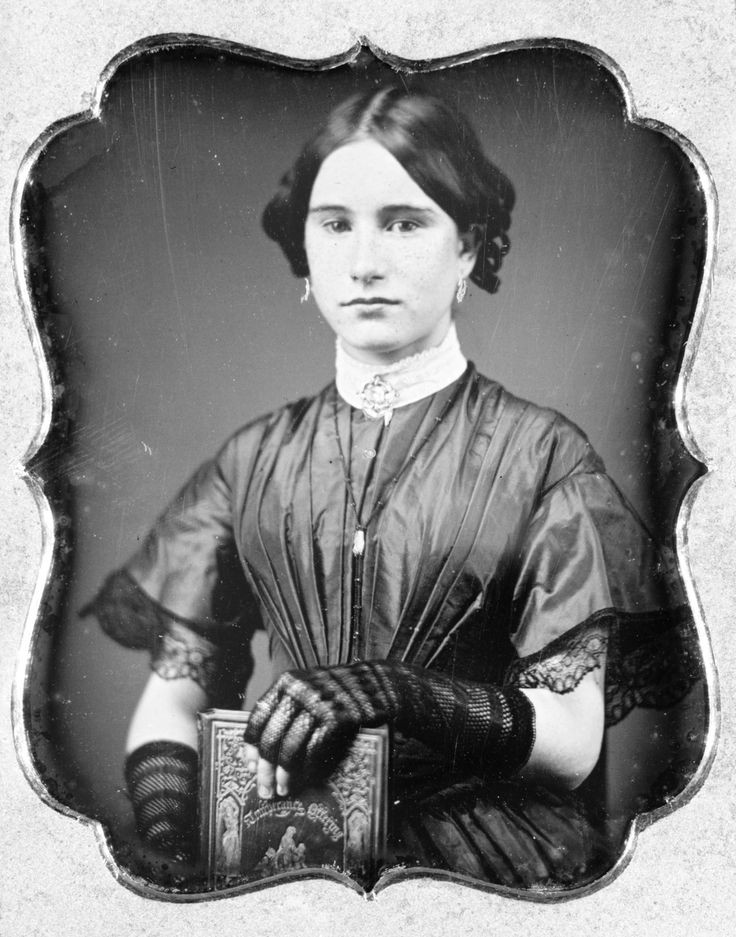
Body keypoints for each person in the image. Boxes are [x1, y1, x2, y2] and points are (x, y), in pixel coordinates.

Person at [85, 86, 702, 892]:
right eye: (335, 223)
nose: (365, 261)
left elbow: (574, 741)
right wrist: (171, 852)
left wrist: (396, 692)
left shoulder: (545, 455)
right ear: (304, 250)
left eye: (405, 222)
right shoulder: (250, 459)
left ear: (470, 248)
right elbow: (173, 698)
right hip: (286, 859)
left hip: (482, 861)